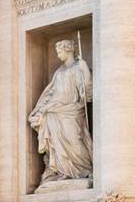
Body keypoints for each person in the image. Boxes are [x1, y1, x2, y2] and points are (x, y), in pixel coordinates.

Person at [28, 40, 93, 183]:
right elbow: (50, 92)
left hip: (72, 110)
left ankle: (85, 169)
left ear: (68, 50)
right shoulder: (59, 72)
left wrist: (85, 70)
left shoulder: (79, 66)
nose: (58, 56)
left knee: (74, 139)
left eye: (60, 52)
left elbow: (87, 92)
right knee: (56, 143)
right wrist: (39, 109)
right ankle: (63, 170)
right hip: (54, 110)